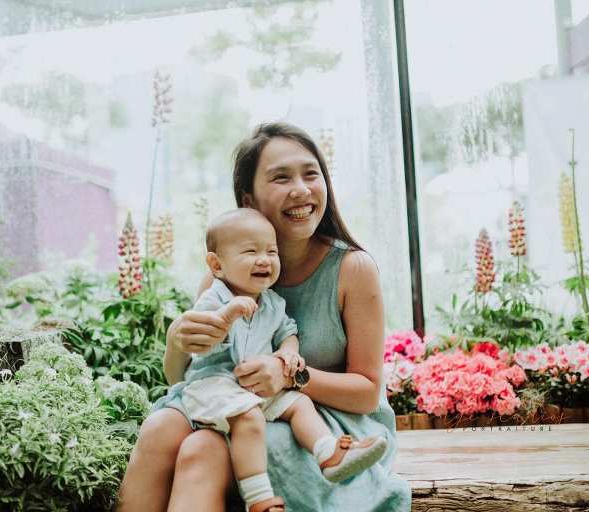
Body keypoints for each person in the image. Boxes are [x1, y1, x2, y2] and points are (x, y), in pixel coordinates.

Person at [116, 122, 412, 512]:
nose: (301, 189)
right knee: (161, 428)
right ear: (249, 200)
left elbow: (367, 392)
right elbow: (182, 379)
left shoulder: (353, 269)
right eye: (281, 177)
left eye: (311, 174)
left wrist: (289, 375)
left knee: (206, 448)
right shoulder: (223, 276)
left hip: (323, 425)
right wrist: (177, 341)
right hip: (234, 404)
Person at [152, 207, 389, 512]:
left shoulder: (273, 301)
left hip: (261, 391)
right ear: (217, 265)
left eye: (271, 252)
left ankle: (329, 452)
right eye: (251, 252)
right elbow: (203, 345)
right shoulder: (216, 294)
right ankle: (260, 499)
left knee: (298, 405)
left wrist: (288, 355)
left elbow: (288, 331)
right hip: (219, 387)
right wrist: (228, 313)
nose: (264, 259)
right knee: (201, 425)